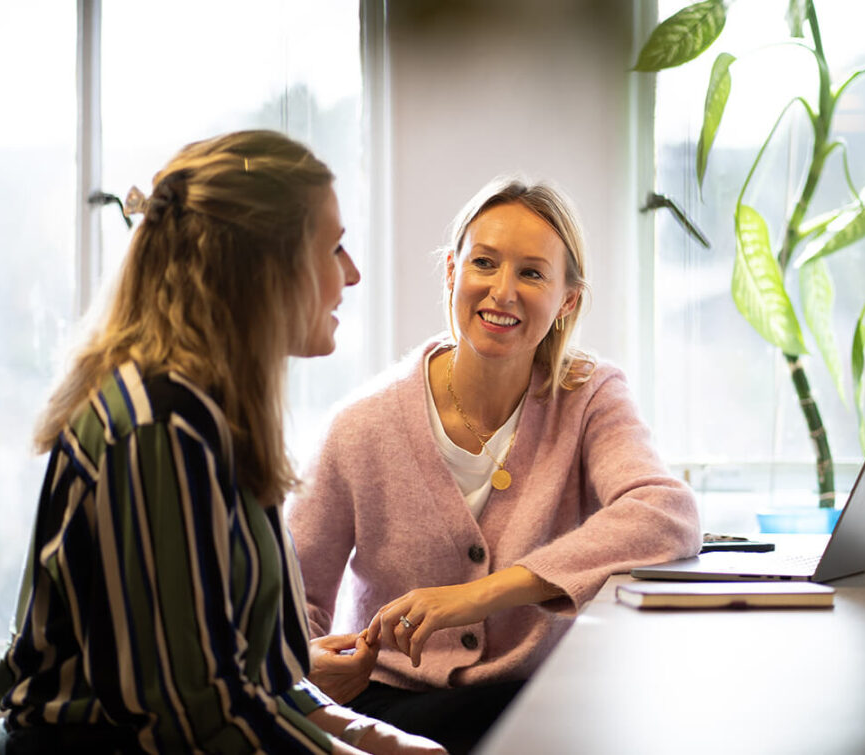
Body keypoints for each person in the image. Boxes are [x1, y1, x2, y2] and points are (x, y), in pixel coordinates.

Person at [0, 130, 443, 755]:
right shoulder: (160, 430)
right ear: (263, 268)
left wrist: (371, 735)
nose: (353, 273)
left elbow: (250, 679)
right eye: (334, 248)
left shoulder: (210, 414)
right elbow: (193, 716)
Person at [285, 177, 702, 753]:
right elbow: (291, 607)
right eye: (485, 263)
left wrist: (478, 595)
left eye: (532, 273)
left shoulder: (588, 396)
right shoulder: (360, 425)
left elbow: (664, 512)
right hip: (397, 709)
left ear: (567, 301)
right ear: (453, 272)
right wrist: (306, 666)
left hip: (538, 697)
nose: (503, 291)